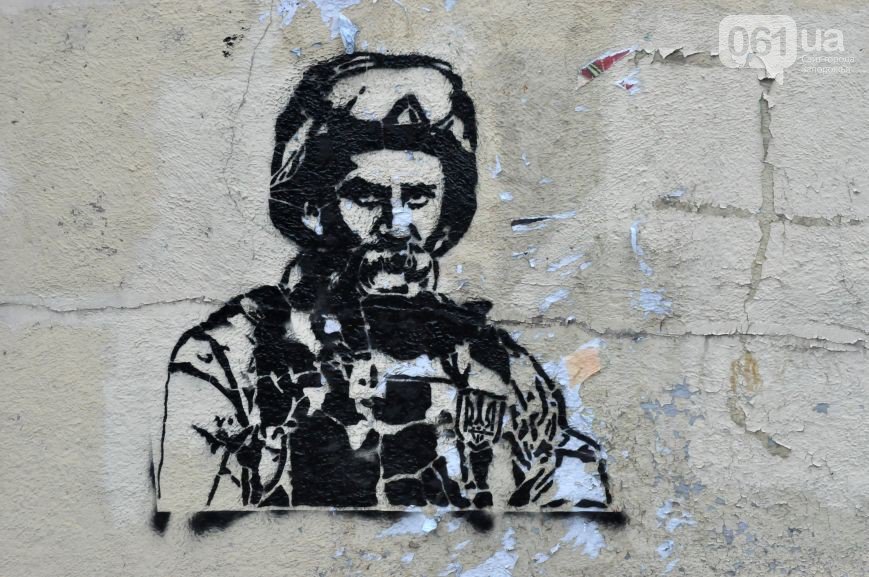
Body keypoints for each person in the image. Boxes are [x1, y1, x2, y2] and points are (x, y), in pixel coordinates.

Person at [157, 52, 612, 511]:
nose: (398, 225)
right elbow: (190, 528)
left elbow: (576, 511)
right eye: (367, 197)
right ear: (311, 208)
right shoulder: (230, 356)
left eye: (418, 198)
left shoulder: (494, 362)